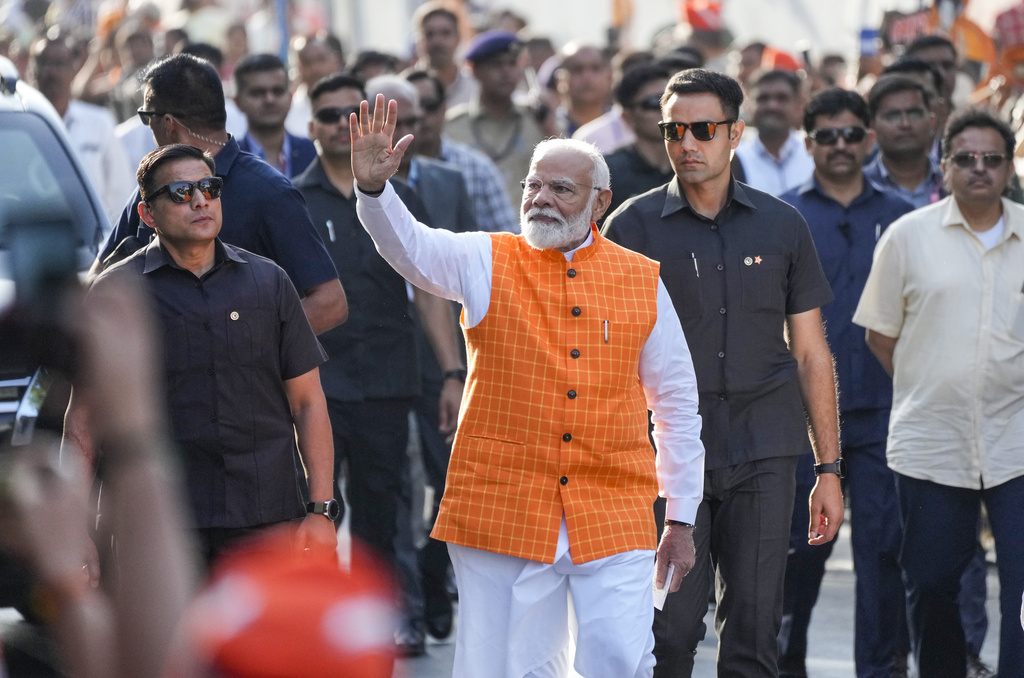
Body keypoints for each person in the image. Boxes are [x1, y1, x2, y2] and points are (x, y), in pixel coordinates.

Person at [353, 97, 704, 677]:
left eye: (561, 189)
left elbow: (676, 404)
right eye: (533, 185)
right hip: (502, 505)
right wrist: (373, 193)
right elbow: (411, 248)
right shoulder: (486, 258)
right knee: (509, 667)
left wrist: (681, 518)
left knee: (622, 657)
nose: (541, 198)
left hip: (611, 503)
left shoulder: (642, 280)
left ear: (601, 202)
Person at [602, 68, 843, 677]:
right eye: (673, 129)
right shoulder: (631, 228)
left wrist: (829, 470)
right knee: (670, 630)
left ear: (735, 133)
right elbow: (603, 349)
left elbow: (812, 352)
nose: (688, 143)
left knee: (756, 631)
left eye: (703, 129)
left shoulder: (782, 224)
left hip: (765, 447)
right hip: (666, 455)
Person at [81, 143, 338, 566]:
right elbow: (83, 423)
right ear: (147, 215)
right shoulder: (116, 294)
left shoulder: (269, 282)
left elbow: (308, 403)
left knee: (264, 636)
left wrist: (321, 509)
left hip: (265, 518)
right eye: (181, 193)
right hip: (159, 524)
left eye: (209, 188)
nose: (200, 200)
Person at [293, 72, 465, 658]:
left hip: (388, 379)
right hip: (314, 383)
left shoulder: (398, 195)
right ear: (310, 125)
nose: (341, 122)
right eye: (327, 112)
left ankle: (374, 627)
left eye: (351, 110)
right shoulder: (291, 199)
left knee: (380, 513)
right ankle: (310, 628)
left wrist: (450, 373)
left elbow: (432, 291)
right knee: (311, 511)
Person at [853, 108, 1024, 678]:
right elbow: (881, 335)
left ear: (1008, 166)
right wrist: (932, 382)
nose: (980, 169)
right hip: (931, 438)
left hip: (1016, 441)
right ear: (944, 166)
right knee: (930, 581)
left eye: (992, 159)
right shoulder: (908, 237)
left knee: (1022, 588)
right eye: (967, 159)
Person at [777, 87, 914, 678]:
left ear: (869, 139)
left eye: (850, 134)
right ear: (807, 143)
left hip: (887, 409)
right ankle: (787, 663)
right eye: (826, 135)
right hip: (803, 416)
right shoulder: (779, 215)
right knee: (800, 555)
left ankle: (880, 670)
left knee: (884, 554)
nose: (839, 145)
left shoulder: (906, 218)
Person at [91, 53, 346, 336]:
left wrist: (250, 351)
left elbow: (329, 303)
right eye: (183, 194)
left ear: (168, 123)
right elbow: (96, 281)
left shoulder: (268, 192)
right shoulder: (151, 192)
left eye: (146, 118)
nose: (201, 202)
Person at [30, 32, 135, 226]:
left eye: (60, 64)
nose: (51, 72)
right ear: (32, 69)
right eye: (43, 63)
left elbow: (120, 188)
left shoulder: (99, 122)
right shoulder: (22, 125)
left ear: (74, 69)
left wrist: (111, 242)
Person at [405, 69, 520, 232]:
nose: (422, 115)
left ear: (444, 109)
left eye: (430, 105)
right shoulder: (386, 173)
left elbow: (509, 241)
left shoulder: (478, 168)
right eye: (413, 108)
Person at [444, 30, 547, 207]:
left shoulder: (537, 120)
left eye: (512, 64)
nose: (506, 72)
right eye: (496, 65)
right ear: (474, 70)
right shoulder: (452, 126)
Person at [603, 62, 674, 219]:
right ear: (627, 117)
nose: (666, 111)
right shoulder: (607, 174)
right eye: (655, 102)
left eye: (670, 100)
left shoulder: (695, 163)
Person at [863, 75, 945, 208]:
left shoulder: (951, 183)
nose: (905, 124)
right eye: (893, 116)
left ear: (932, 122)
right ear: (872, 128)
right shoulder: (859, 187)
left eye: (914, 114)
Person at [731, 68, 814, 195]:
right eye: (763, 99)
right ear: (749, 105)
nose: (772, 106)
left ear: (798, 105)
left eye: (782, 98)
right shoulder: (734, 159)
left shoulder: (813, 153)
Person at [234, 53, 317, 179]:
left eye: (278, 91)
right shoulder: (228, 160)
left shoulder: (313, 153)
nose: (269, 100)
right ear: (238, 102)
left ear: (290, 97)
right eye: (257, 93)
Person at [411, 1, 478, 107]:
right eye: (429, 34)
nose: (437, 41)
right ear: (418, 41)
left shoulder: (476, 87)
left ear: (458, 38)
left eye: (445, 33)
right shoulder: (405, 89)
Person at [554, 42, 614, 137]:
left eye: (595, 68)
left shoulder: (625, 127)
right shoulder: (546, 125)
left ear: (609, 77)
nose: (587, 77)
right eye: (577, 69)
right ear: (561, 80)